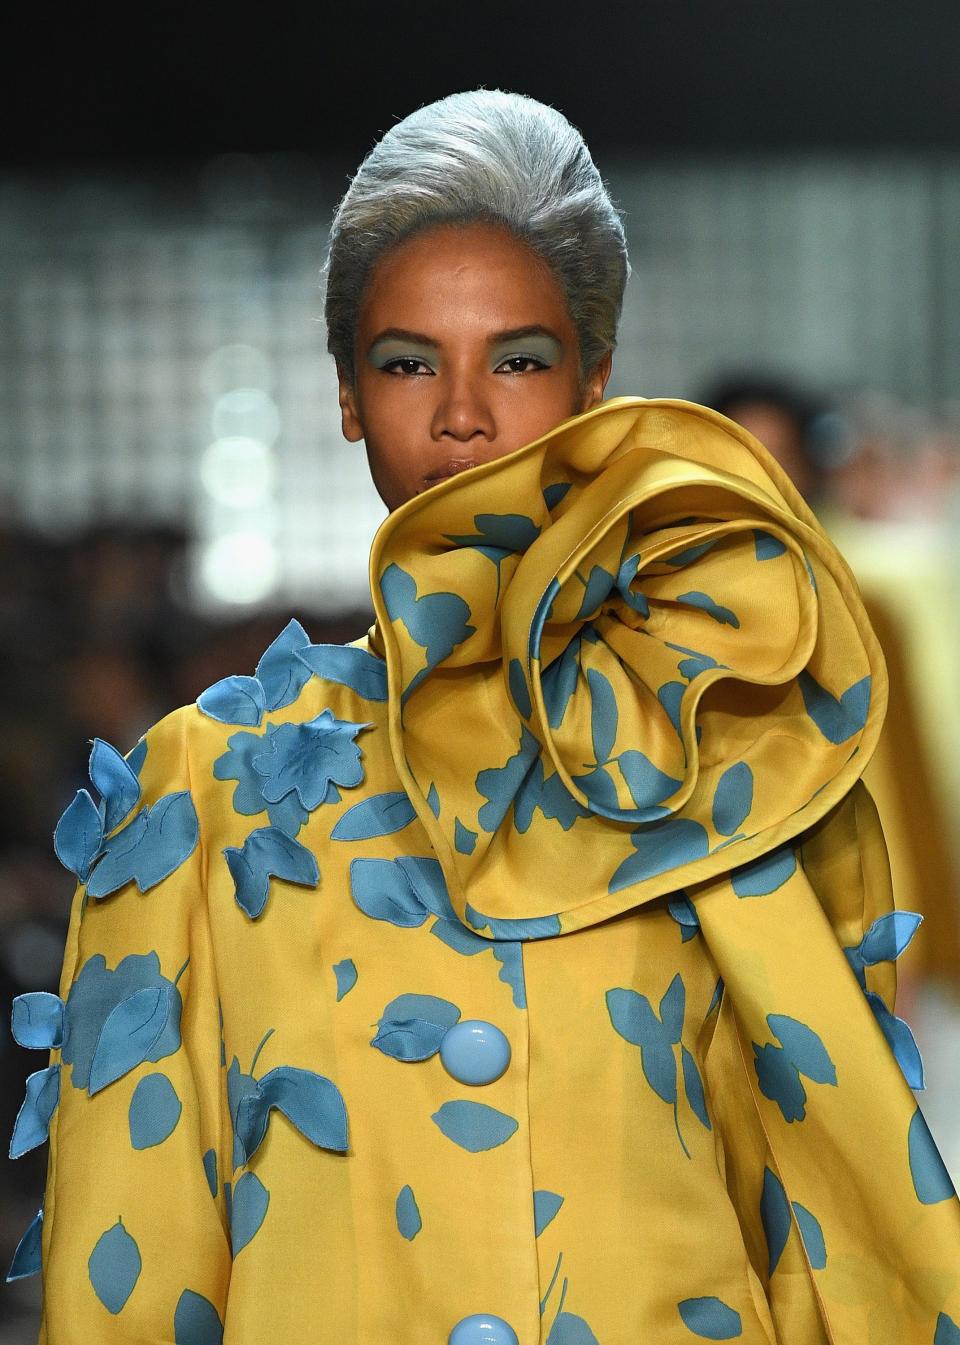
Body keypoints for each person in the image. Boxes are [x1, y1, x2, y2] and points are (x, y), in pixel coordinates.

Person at [7, 89, 960, 1345]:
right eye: (408, 361)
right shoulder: (202, 787)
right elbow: (125, 1279)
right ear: (348, 393)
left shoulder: (709, 750)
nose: (465, 413)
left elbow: (815, 1209)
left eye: (519, 357)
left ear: (597, 382)